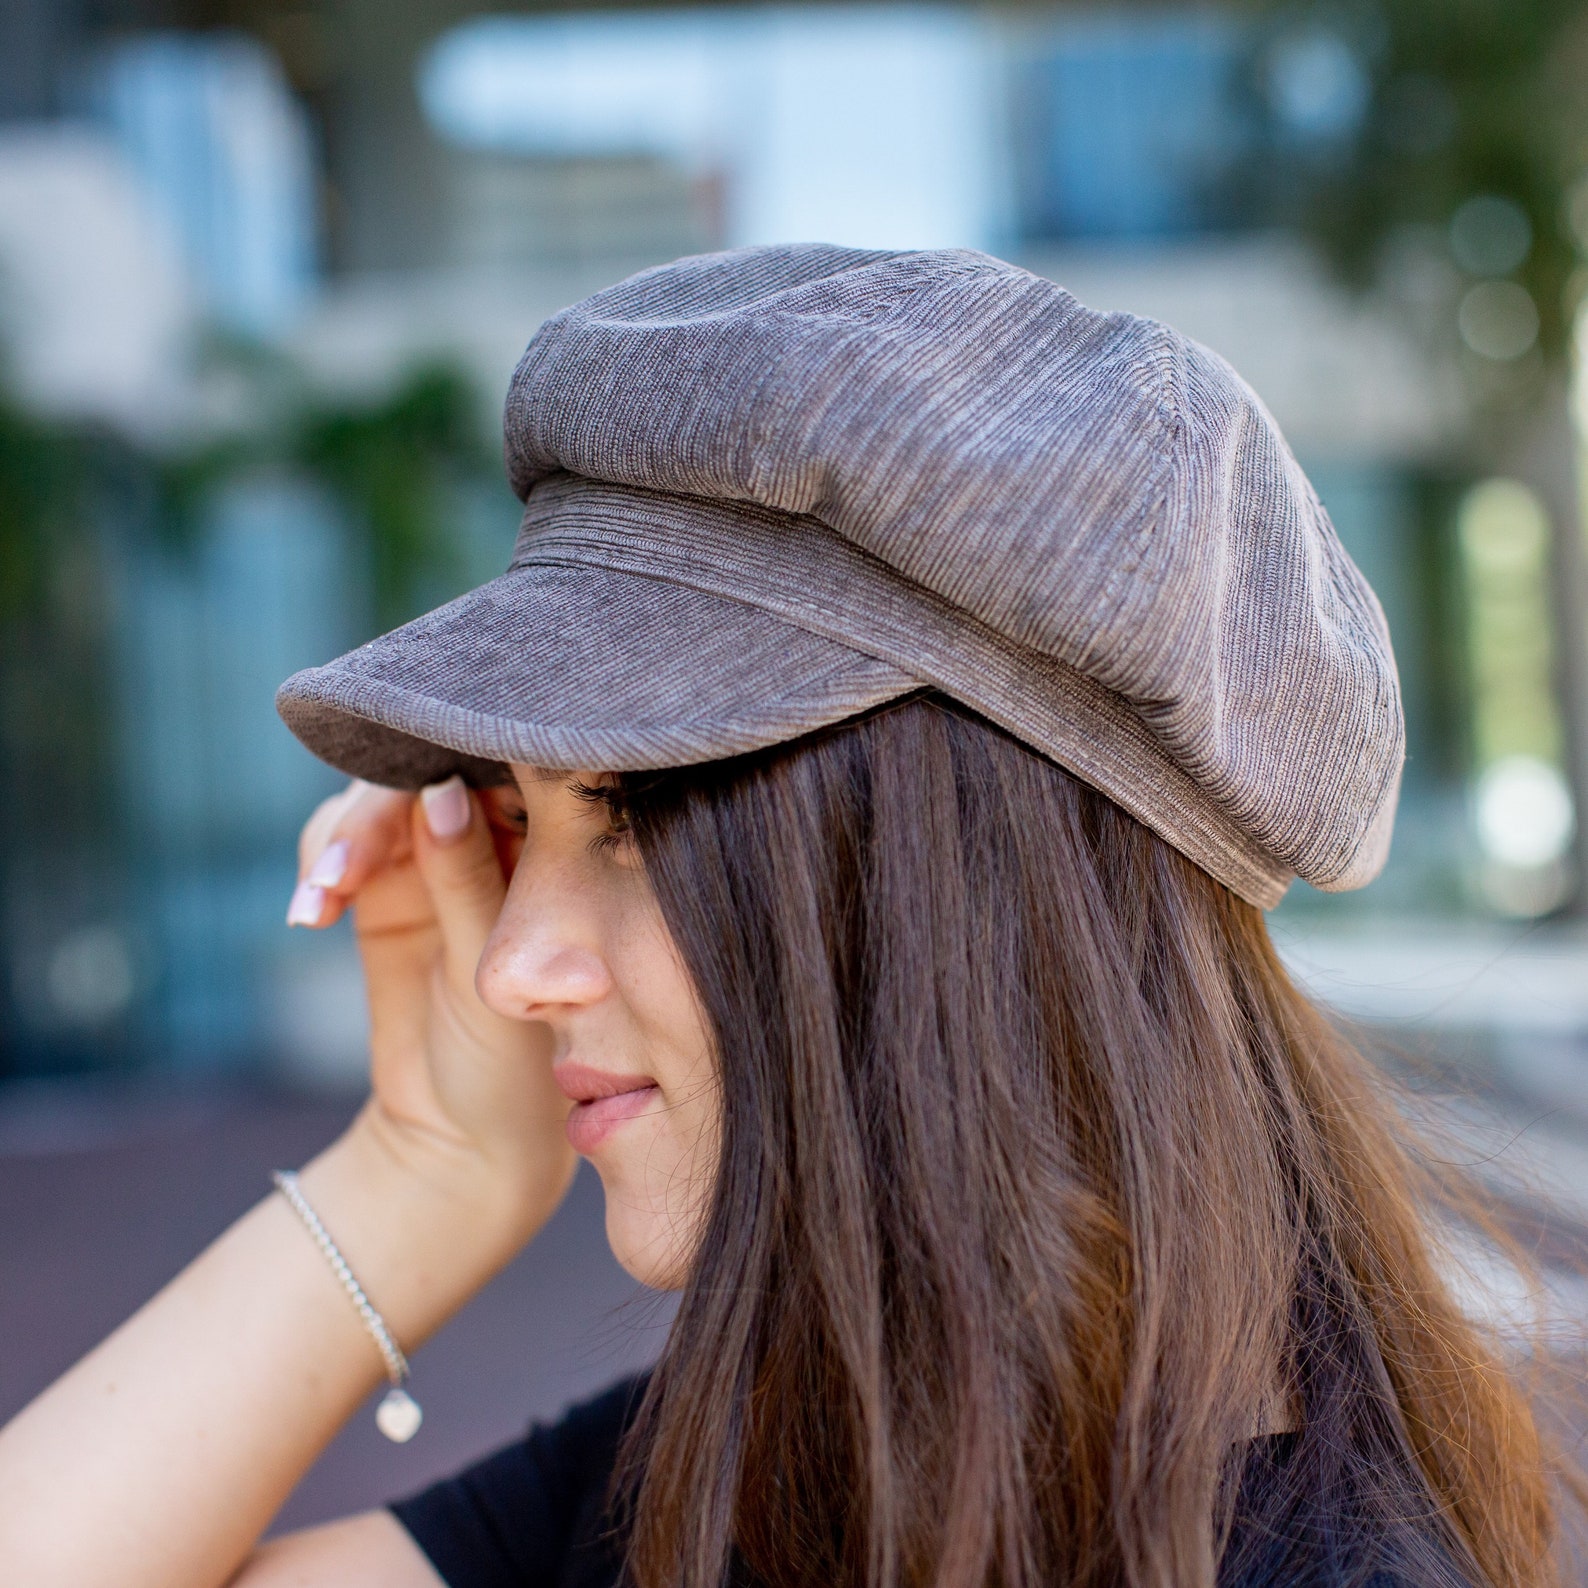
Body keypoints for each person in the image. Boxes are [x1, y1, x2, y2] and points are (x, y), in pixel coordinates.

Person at [0, 245, 1573, 1588]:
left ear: (957, 878)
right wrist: (423, 1175)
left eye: (625, 825)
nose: (509, 962)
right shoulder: (752, 1466)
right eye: (515, 820)